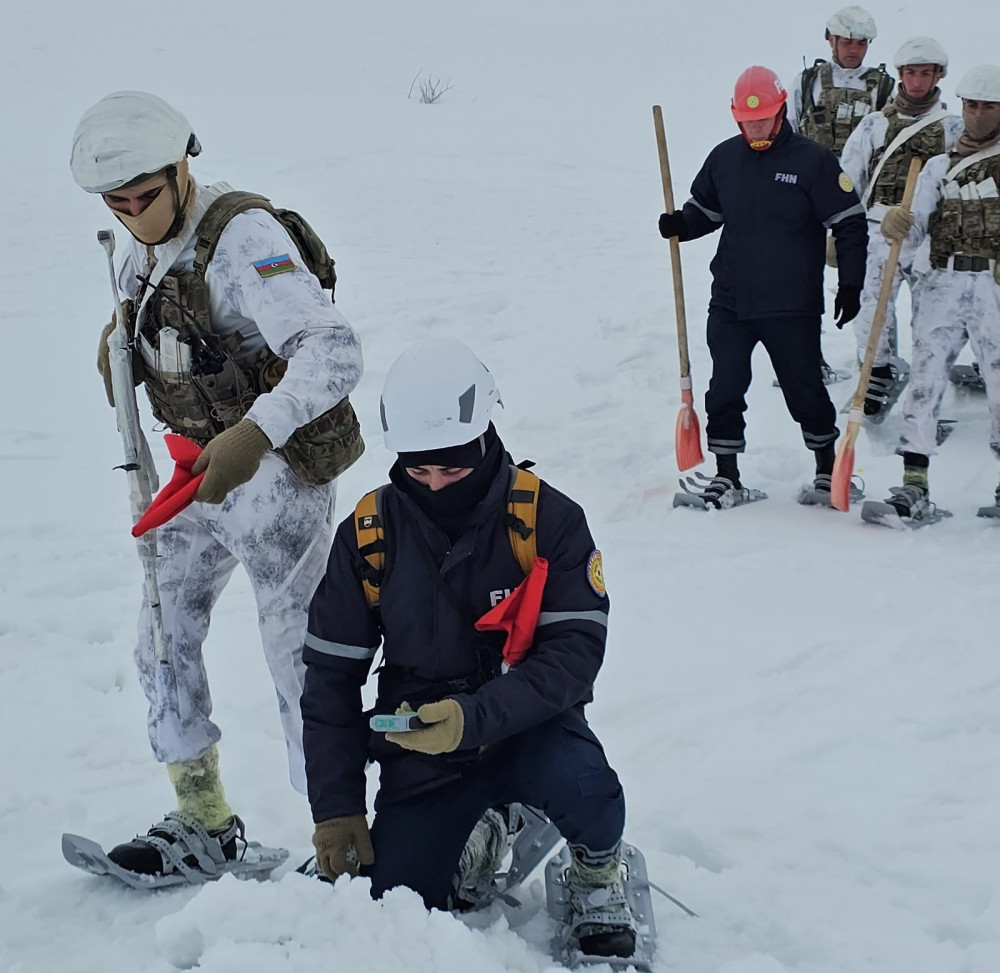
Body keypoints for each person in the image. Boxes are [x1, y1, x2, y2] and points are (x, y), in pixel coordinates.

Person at [70, 91, 365, 878]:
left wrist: (254, 433)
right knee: (161, 633)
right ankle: (203, 817)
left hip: (272, 475)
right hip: (195, 472)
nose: (135, 214)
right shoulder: (135, 245)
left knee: (296, 652)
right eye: (118, 203)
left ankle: (339, 832)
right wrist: (125, 348)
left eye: (147, 197)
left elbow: (333, 350)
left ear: (181, 167)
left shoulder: (243, 237)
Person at [300, 338, 636, 960]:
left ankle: (596, 872)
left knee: (588, 790)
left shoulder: (548, 519)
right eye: (417, 470)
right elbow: (330, 677)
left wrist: (474, 718)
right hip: (421, 738)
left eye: (452, 469)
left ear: (485, 440)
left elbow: (573, 658)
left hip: (529, 722)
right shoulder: (370, 534)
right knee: (399, 897)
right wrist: (338, 807)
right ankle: (484, 827)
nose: (433, 484)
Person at [657, 66, 868, 507]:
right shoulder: (724, 158)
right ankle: (727, 476)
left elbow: (849, 223)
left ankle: (827, 469)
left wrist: (850, 284)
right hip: (732, 299)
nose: (755, 127)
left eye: (763, 119)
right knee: (725, 388)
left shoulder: (812, 161)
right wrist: (682, 224)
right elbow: (707, 212)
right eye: (747, 121)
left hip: (791, 304)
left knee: (804, 388)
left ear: (781, 112)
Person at [876, 65, 1000, 518]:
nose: (978, 115)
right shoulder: (937, 166)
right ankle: (914, 483)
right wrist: (896, 225)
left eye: (989, 107)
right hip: (943, 283)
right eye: (972, 105)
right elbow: (913, 229)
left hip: (993, 286)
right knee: (925, 382)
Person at [840, 38, 964, 418]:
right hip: (878, 229)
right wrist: (842, 228)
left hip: (929, 236)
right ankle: (878, 372)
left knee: (932, 317)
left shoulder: (953, 127)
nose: (916, 81)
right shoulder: (875, 125)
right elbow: (849, 177)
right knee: (870, 307)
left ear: (938, 75)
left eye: (925, 73)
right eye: (910, 73)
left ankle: (928, 398)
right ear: (900, 75)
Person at [790, 6, 894, 156]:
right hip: (813, 173)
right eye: (847, 42)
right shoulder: (808, 81)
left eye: (861, 43)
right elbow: (789, 127)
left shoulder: (883, 87)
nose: (854, 50)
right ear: (832, 40)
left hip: (861, 177)